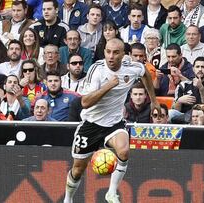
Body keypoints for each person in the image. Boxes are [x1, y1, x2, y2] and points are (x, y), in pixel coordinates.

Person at [63, 38, 160, 203]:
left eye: (115, 52)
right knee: (78, 169)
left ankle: (112, 193)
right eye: (108, 52)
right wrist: (109, 85)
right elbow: (85, 103)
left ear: (124, 54)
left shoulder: (132, 67)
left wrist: (154, 101)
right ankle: (68, 199)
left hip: (114, 123)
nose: (111, 56)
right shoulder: (97, 70)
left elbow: (144, 73)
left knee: (123, 151)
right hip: (91, 124)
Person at [170, 57, 204, 124]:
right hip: (185, 116)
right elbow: (176, 110)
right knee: (170, 113)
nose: (200, 69)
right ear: (193, 69)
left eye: (203, 67)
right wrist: (179, 101)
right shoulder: (183, 85)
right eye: (197, 67)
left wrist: (201, 88)